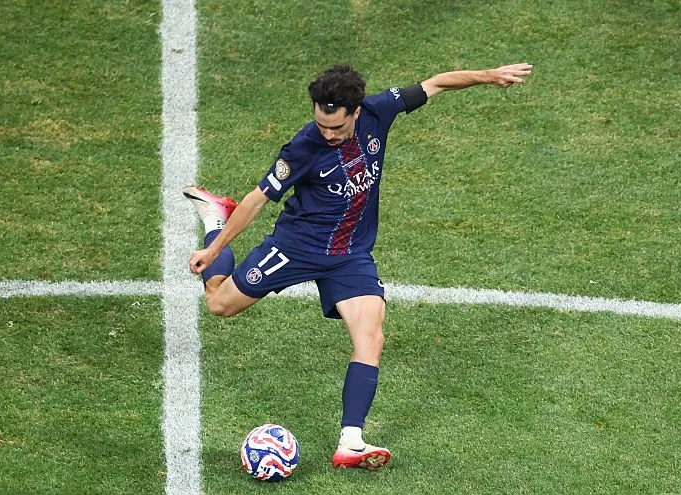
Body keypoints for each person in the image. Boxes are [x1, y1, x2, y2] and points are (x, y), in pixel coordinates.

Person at [185, 62, 533, 470]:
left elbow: (436, 83)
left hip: (350, 256)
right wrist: (215, 249)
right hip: (296, 247)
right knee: (219, 304)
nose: (327, 134)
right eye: (321, 124)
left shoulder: (378, 111)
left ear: (355, 112)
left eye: (336, 127)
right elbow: (257, 200)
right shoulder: (303, 147)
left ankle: (351, 441)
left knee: (371, 336)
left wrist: (489, 76)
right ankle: (214, 219)